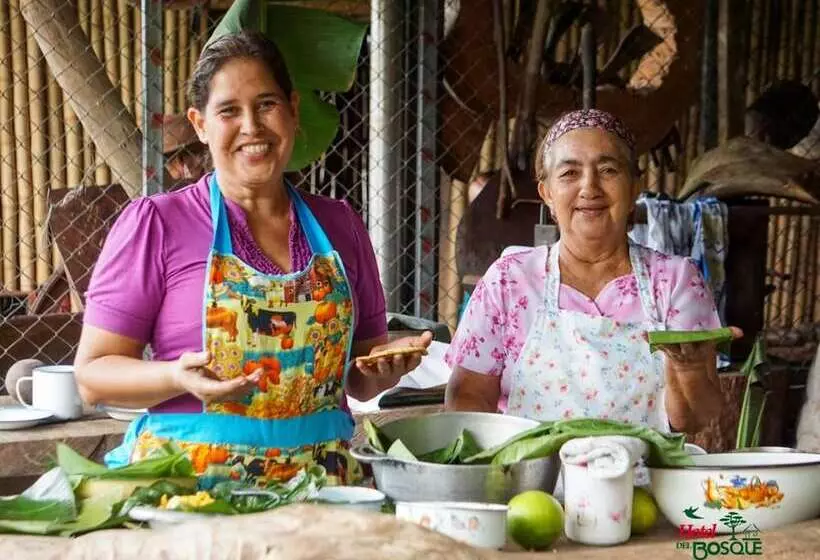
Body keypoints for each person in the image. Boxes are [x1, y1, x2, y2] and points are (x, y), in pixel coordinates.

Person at [74, 30, 430, 488]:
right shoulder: (157, 224)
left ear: (293, 110)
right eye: (229, 111)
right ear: (200, 124)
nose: (252, 127)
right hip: (193, 491)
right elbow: (93, 375)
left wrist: (386, 371)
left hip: (323, 488)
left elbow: (359, 378)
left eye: (266, 104)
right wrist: (176, 377)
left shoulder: (340, 225)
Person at [444, 109, 741, 435]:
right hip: (532, 482)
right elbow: (467, 398)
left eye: (608, 170)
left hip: (638, 480)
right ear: (547, 195)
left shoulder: (674, 282)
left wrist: (689, 367)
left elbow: (694, 420)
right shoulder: (509, 281)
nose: (590, 187)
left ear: (634, 189)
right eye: (569, 173)